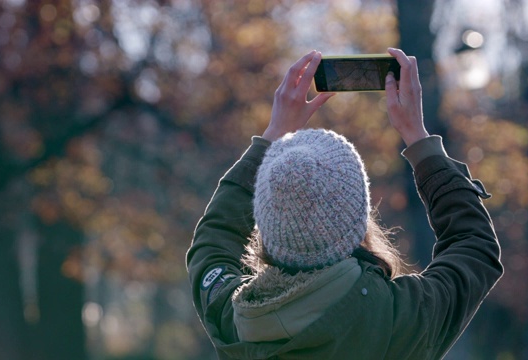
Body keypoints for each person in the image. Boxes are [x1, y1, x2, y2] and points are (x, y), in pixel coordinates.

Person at [186, 48, 503, 359]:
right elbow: (475, 246)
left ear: (267, 223)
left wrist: (271, 138)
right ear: (358, 219)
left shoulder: (234, 318)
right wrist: (419, 140)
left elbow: (213, 241)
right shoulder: (398, 319)